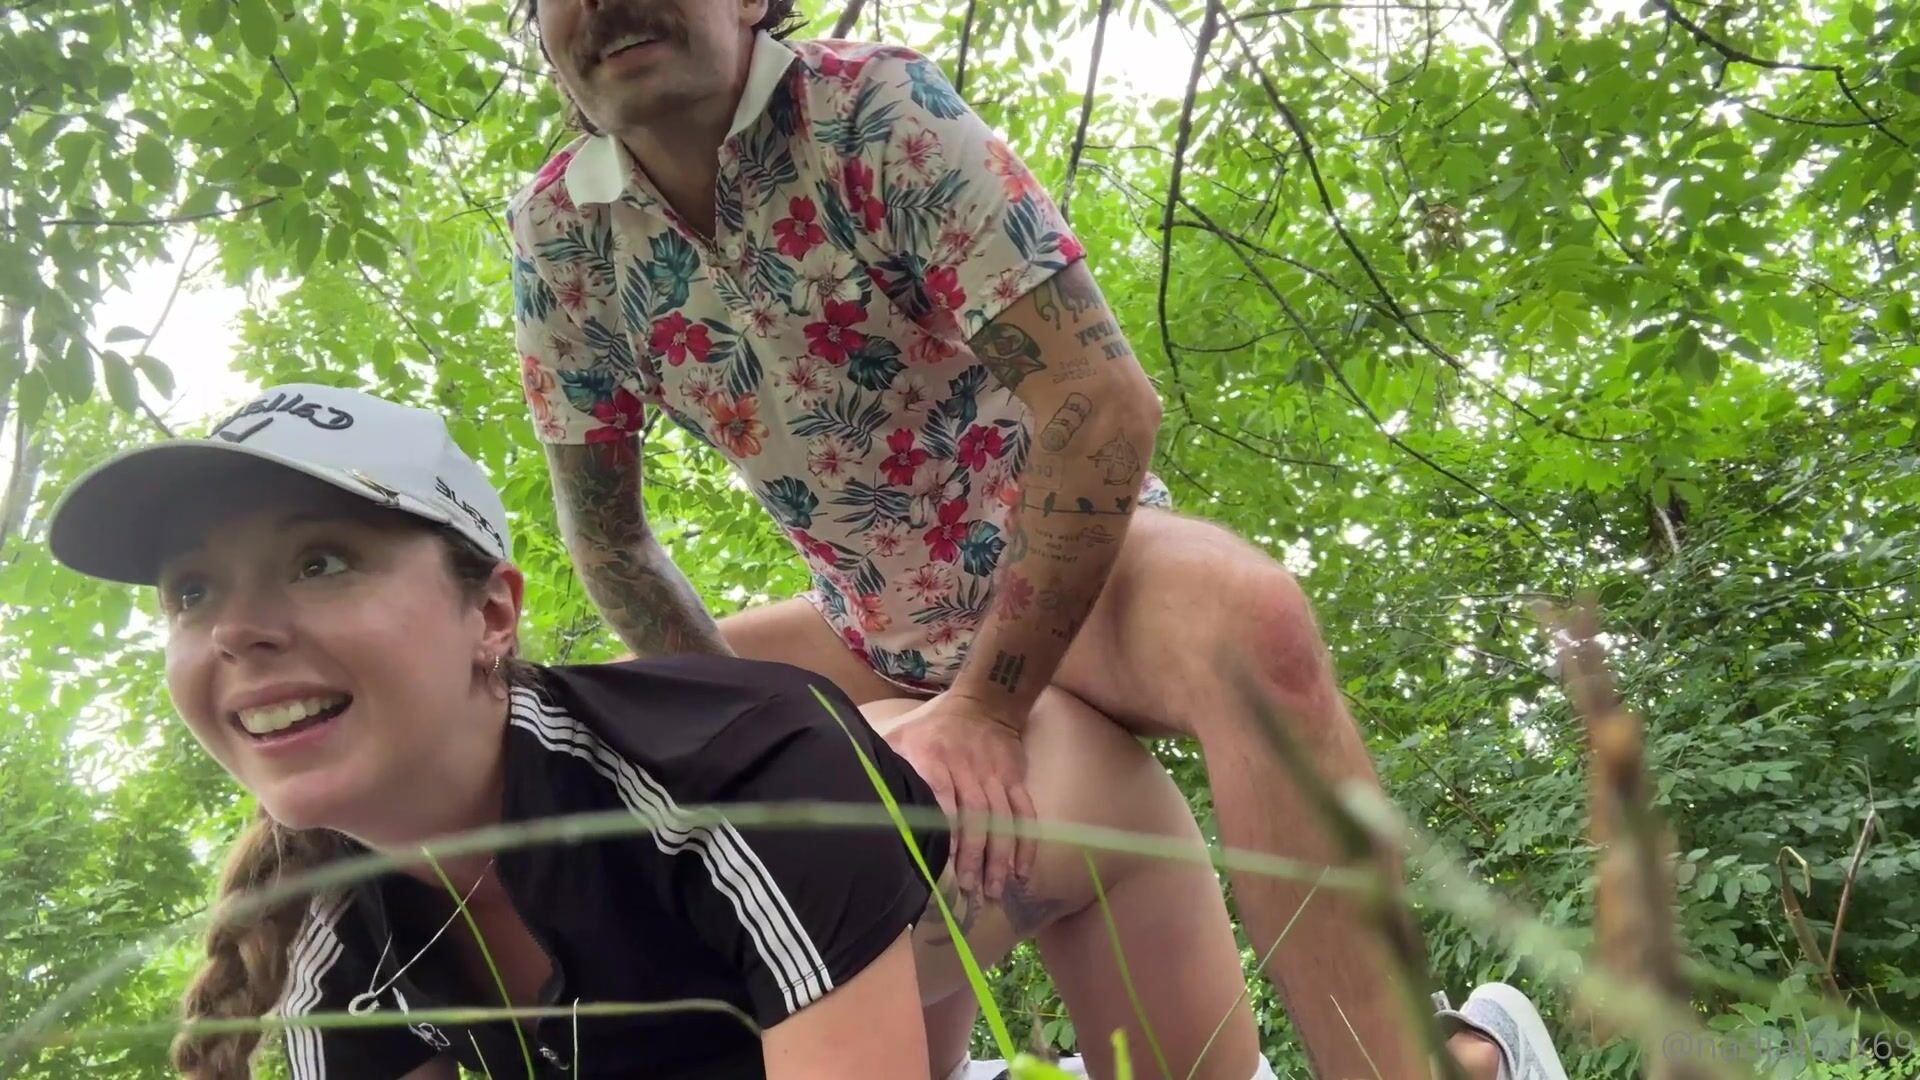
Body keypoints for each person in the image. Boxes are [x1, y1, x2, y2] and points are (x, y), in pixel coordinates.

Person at [506, 3, 1568, 1079]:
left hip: (1076, 566)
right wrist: (741, 754)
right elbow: (614, 544)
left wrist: (986, 708)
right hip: (869, 618)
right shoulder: (558, 233)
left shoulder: (872, 109)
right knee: (560, 736)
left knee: (1256, 625)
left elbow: (1101, 403)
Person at [46, 384, 1284, 1080]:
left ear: (491, 613)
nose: (237, 630)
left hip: (1078, 843)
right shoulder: (340, 959)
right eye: (190, 592)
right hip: (831, 963)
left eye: (321, 561)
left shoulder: (735, 781)